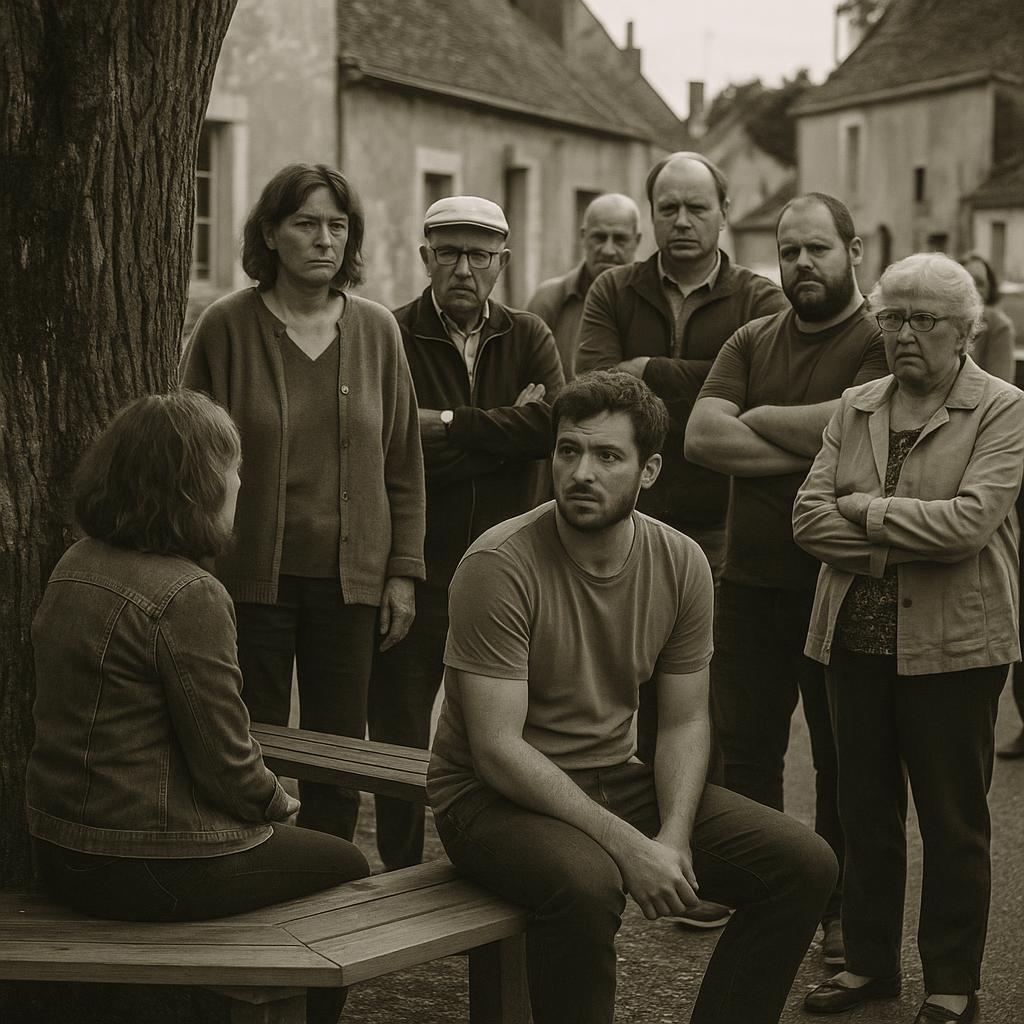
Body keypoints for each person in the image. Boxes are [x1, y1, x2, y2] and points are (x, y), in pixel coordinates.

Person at [427, 370, 838, 1024]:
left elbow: (681, 722)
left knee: (804, 866)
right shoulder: (497, 565)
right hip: (488, 799)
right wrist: (631, 847)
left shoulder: (681, 563)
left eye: (607, 456)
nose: (581, 472)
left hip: (613, 778)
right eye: (568, 451)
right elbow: (497, 749)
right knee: (591, 883)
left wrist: (672, 837)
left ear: (648, 472)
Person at [26, 390, 370, 1024]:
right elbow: (226, 764)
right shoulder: (190, 594)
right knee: (346, 867)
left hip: (59, 850)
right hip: (145, 864)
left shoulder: (74, 565)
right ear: (195, 488)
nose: (241, 485)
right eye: (233, 471)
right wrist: (277, 803)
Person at [793, 253, 1024, 1024]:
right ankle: (868, 965)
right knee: (862, 810)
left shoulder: (1002, 408)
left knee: (953, 821)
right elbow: (806, 516)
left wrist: (865, 512)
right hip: (853, 642)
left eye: (923, 320)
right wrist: (890, 530)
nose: (902, 334)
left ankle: (954, 984)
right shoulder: (857, 404)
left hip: (955, 648)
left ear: (964, 333)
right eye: (890, 317)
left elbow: (968, 525)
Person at [181, 163, 425, 842]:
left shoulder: (376, 332)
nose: (325, 240)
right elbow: (190, 455)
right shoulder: (226, 326)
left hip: (351, 586)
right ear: (270, 232)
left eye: (338, 227)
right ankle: (246, 869)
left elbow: (403, 460)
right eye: (306, 223)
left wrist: (402, 571)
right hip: (248, 578)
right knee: (249, 739)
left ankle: (327, 877)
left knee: (337, 750)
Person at [575, 159, 785, 933]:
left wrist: (649, 372)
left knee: (701, 695)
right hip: (624, 523)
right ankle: (626, 856)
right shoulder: (612, 289)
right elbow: (593, 389)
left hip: (718, 521)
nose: (682, 221)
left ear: (726, 210)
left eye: (697, 207)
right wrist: (703, 389)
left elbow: (764, 395)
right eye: (669, 207)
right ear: (653, 213)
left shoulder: (759, 296)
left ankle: (704, 866)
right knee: (612, 689)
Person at [685, 192, 889, 965]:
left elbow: (866, 427)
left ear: (853, 251)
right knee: (747, 751)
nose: (802, 263)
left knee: (842, 758)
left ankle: (839, 911)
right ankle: (759, 894)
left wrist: (762, 416)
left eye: (818, 249)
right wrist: (819, 442)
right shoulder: (751, 336)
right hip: (751, 582)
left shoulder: (878, 338)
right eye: (789, 250)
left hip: (841, 583)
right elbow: (703, 437)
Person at [367, 196, 564, 871]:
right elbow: (389, 447)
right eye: (448, 252)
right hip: (417, 567)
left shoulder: (529, 334)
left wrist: (449, 425)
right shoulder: (387, 334)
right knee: (398, 736)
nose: (463, 268)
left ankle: (497, 867)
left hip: (514, 572)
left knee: (507, 735)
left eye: (479, 255)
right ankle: (398, 873)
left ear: (501, 264)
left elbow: (554, 432)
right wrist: (506, 430)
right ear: (424, 257)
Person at [527, 193, 642, 379]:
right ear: (583, 237)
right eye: (599, 237)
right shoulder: (548, 300)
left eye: (620, 239)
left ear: (637, 241)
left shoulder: (656, 299)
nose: (608, 250)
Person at [959, 252, 1017, 384]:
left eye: (979, 283)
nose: (972, 289)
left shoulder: (999, 326)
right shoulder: (941, 320)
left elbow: (1001, 385)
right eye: (966, 281)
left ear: (989, 289)